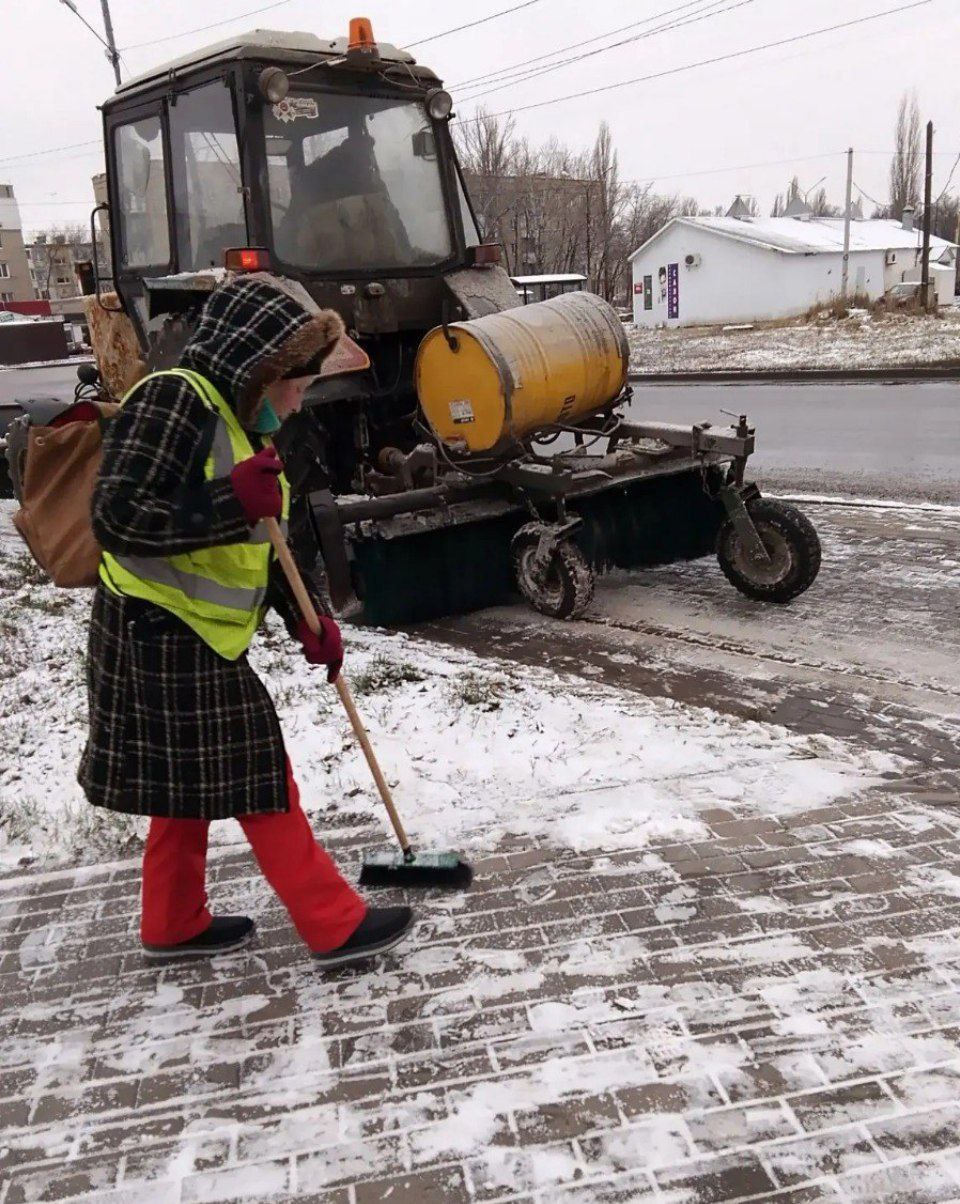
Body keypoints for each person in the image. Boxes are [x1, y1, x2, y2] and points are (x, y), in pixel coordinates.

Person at [80, 272, 413, 966]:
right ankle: (333, 924)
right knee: (258, 770)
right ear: (254, 365)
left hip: (190, 631)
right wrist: (227, 500)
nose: (298, 399)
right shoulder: (173, 401)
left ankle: (172, 921)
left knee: (189, 781)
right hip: (154, 627)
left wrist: (307, 618)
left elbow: (267, 544)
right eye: (293, 381)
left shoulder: (241, 422)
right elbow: (115, 516)